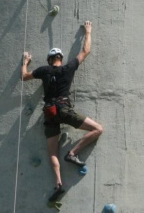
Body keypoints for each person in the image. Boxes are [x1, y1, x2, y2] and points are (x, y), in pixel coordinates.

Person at [21, 21, 104, 202]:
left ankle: (59, 185)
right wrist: (87, 32)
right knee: (97, 129)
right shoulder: (68, 68)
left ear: (50, 60)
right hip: (64, 108)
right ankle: (73, 153)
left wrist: (25, 62)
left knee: (52, 151)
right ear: (61, 58)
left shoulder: (44, 70)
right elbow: (85, 51)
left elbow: (24, 76)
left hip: (49, 112)